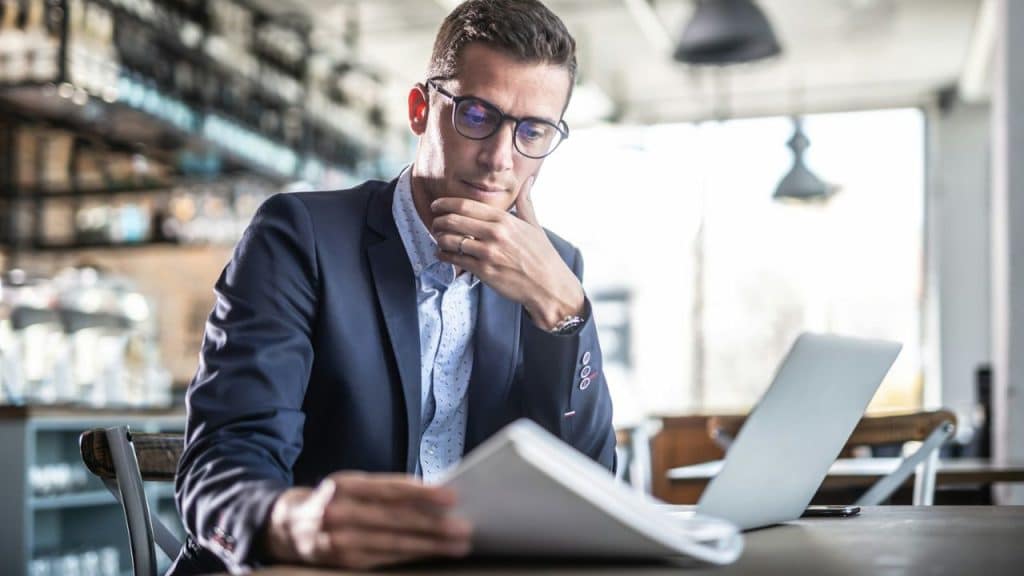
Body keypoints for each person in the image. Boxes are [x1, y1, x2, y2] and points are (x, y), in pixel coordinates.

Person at [169, 1, 615, 573]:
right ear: (420, 108)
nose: (500, 159)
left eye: (533, 131)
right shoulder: (300, 237)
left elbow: (592, 489)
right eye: (477, 115)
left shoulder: (555, 269)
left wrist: (565, 311)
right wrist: (294, 524)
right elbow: (222, 461)